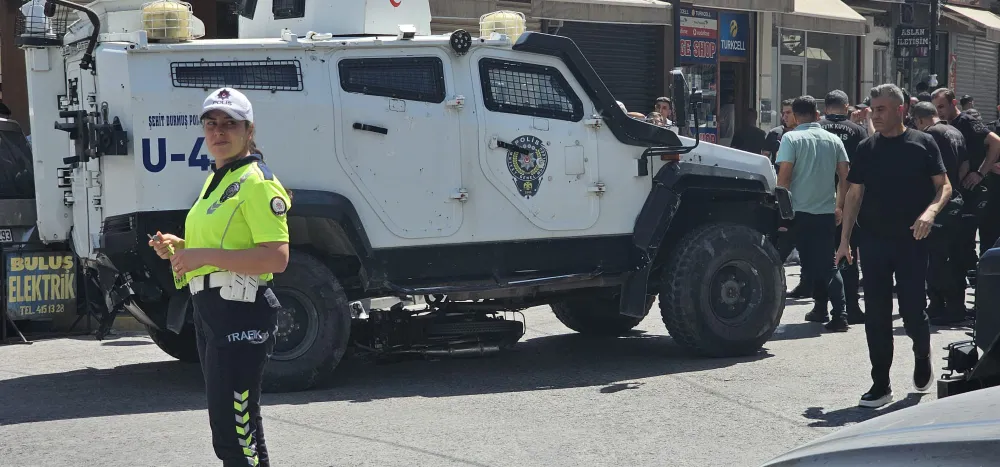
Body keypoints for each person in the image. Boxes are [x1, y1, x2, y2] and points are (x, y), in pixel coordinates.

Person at [148, 87, 290, 467]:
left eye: (230, 124)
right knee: (225, 431)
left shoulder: (256, 181)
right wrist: (180, 247)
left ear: (249, 130)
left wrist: (201, 255)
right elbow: (218, 245)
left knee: (240, 432)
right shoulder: (217, 179)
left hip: (242, 311)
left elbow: (276, 258)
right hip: (212, 311)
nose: (219, 132)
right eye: (211, 124)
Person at [836, 84, 952, 409]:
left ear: (900, 110)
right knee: (876, 313)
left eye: (882, 109)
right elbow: (854, 193)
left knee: (913, 310)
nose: (875, 114)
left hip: (912, 241)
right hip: (873, 241)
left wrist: (930, 212)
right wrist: (845, 241)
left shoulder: (923, 143)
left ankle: (920, 351)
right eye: (873, 109)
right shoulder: (866, 147)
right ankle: (880, 383)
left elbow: (944, 187)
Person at [776, 95, 851, 332]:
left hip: (796, 212)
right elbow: (844, 176)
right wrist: (839, 206)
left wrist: (780, 209)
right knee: (824, 263)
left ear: (795, 117)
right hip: (825, 212)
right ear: (817, 114)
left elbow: (784, 176)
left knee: (773, 259)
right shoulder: (833, 140)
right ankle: (833, 312)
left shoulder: (791, 137)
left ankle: (760, 312)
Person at [912, 101, 969, 325]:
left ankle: (941, 306)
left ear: (920, 120)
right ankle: (953, 305)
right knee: (954, 257)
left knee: (937, 259)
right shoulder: (955, 131)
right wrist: (956, 186)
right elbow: (965, 163)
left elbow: (925, 168)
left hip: (937, 201)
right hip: (955, 199)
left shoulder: (930, 134)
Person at [816, 90, 868, 324]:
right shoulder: (858, 131)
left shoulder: (815, 129)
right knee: (848, 251)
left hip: (818, 200)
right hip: (850, 200)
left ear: (826, 108)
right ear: (846, 107)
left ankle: (820, 307)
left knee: (822, 256)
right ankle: (853, 307)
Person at [932, 88, 1000, 264]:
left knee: (979, 237)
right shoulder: (943, 126)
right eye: (936, 108)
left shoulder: (966, 122)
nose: (939, 111)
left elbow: (995, 142)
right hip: (957, 190)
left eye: (942, 106)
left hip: (976, 190)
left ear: (953, 103)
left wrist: (981, 172)